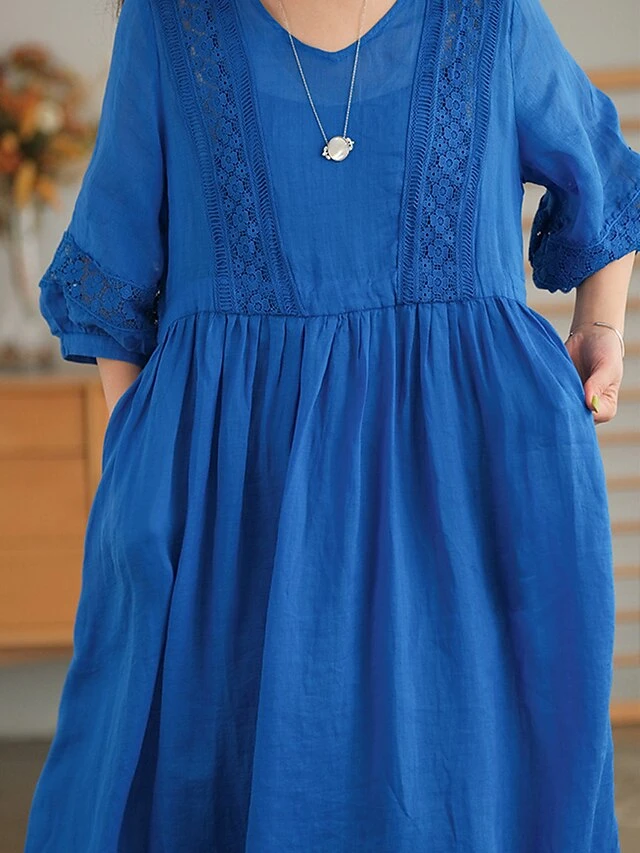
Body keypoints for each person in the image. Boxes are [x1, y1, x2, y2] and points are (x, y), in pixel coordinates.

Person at [24, 0, 639, 850]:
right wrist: (147, 459)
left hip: (468, 487)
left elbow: (603, 181)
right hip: (237, 498)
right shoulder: (170, 23)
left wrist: (601, 330)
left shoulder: (489, 16)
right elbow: (112, 273)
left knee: (460, 779)